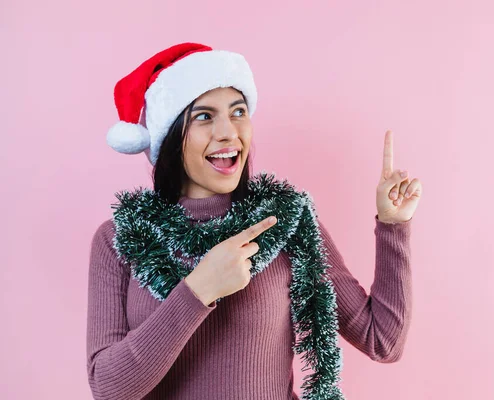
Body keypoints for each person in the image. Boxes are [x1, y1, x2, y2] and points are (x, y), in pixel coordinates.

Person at [86, 42, 422, 400]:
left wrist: (393, 226)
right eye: (204, 116)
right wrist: (199, 289)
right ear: (169, 134)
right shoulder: (120, 239)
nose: (229, 132)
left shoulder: (285, 223)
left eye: (238, 112)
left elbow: (382, 340)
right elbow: (109, 389)